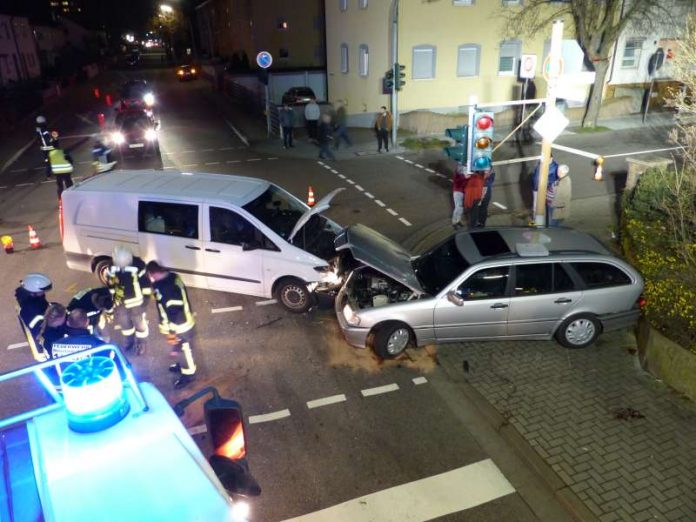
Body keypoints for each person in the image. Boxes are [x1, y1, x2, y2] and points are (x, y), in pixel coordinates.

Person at [146, 261, 197, 389]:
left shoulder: (166, 290)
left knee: (184, 351)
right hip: (181, 324)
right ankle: (181, 365)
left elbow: (175, 313)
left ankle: (188, 375)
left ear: (154, 273)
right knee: (180, 351)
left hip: (179, 327)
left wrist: (173, 334)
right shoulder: (173, 276)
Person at [107, 246, 151, 355]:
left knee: (139, 323)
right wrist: (113, 299)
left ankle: (141, 344)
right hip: (120, 302)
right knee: (125, 324)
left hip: (137, 302)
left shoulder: (139, 265)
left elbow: (146, 284)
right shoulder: (112, 266)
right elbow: (111, 283)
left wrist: (146, 300)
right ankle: (129, 342)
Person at [15, 273, 53, 362]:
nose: (43, 293)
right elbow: (38, 330)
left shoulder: (33, 299)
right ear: (33, 292)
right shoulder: (28, 309)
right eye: (41, 291)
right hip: (41, 349)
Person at [531, 155, 559, 225]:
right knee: (536, 207)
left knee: (548, 208)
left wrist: (549, 187)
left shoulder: (555, 167)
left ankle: (549, 225)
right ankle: (536, 221)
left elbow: (556, 180)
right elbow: (535, 176)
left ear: (551, 158)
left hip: (546, 190)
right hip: (536, 189)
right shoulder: (540, 164)